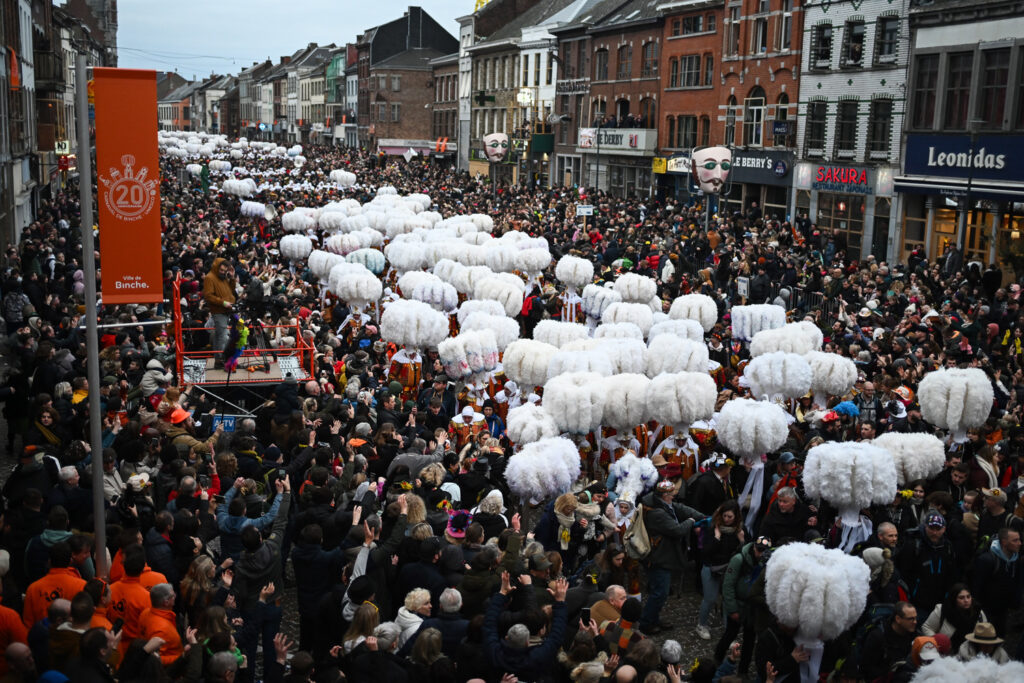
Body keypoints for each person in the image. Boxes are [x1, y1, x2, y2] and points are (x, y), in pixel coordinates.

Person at [637, 480, 703, 635]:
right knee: (660, 593)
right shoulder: (657, 513)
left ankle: (653, 619)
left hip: (662, 556)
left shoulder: (662, 505)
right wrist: (691, 521)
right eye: (672, 495)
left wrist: (705, 517)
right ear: (665, 496)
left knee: (660, 592)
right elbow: (677, 530)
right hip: (658, 558)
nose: (674, 497)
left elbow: (682, 508)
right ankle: (646, 623)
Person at [697, 500, 744, 641]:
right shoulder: (712, 528)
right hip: (711, 567)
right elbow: (705, 552)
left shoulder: (740, 530)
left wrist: (742, 541)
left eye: (730, 517)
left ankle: (728, 629)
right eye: (725, 516)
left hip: (729, 570)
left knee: (727, 600)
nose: (727, 520)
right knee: (710, 598)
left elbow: (743, 554)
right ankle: (702, 624)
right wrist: (717, 538)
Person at [971, 526, 1022, 636]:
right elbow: (977, 586)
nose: (1019, 543)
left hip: (1003, 610)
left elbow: (1017, 581)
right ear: (1004, 542)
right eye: (1015, 540)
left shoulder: (1015, 559)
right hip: (986, 610)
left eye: (1019, 539)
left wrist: (1015, 601)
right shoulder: (987, 560)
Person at [858, 601, 919, 680]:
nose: (915, 622)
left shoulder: (914, 635)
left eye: (915, 618)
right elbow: (866, 668)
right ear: (898, 619)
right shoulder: (877, 636)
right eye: (910, 619)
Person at [921, 583, 988, 651]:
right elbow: (927, 627)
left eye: (968, 596)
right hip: (944, 655)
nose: (966, 600)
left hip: (969, 656)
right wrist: (937, 643)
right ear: (954, 599)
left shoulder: (979, 613)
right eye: (961, 598)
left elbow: (985, 634)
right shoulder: (942, 610)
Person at [203, 257, 236, 361]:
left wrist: (232, 278)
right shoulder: (209, 278)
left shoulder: (223, 277)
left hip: (226, 310)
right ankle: (222, 360)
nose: (223, 272)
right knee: (222, 336)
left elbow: (231, 290)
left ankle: (219, 360)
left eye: (224, 270)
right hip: (219, 310)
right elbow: (208, 296)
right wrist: (223, 303)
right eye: (221, 270)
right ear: (216, 268)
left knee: (219, 336)